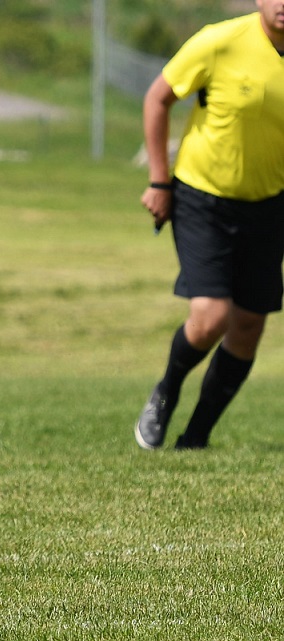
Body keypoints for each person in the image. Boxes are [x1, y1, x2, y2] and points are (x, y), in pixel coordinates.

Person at [135, 0, 284, 451]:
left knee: (248, 326)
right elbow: (158, 98)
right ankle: (166, 390)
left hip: (268, 203)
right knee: (212, 317)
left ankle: (195, 437)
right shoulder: (220, 41)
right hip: (203, 197)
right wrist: (160, 180)